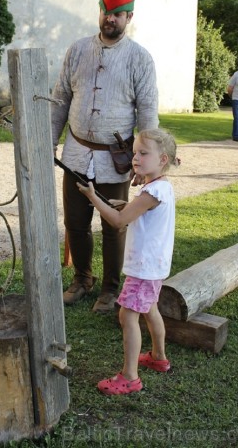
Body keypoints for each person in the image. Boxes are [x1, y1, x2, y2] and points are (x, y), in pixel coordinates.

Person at [51, 0, 159, 313]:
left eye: (116, 14)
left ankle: (111, 289)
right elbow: (59, 101)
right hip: (75, 154)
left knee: (115, 223)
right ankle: (83, 279)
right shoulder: (77, 50)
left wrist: (147, 165)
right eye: (105, 12)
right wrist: (46, 142)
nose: (109, 18)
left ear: (129, 17)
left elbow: (148, 114)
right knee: (75, 222)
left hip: (116, 159)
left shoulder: (140, 59)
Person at [77, 129, 177, 395]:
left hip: (144, 269)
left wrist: (93, 197)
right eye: (135, 153)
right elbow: (142, 210)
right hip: (153, 266)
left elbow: (119, 221)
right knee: (149, 308)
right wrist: (127, 203)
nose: (136, 158)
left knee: (127, 315)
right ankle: (158, 358)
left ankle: (130, 377)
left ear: (163, 159)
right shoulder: (160, 187)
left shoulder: (151, 192)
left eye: (144, 154)